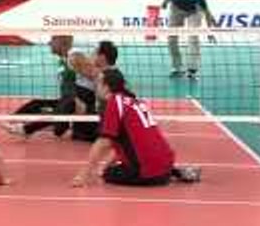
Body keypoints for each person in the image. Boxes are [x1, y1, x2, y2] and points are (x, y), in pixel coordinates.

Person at [71, 69, 201, 187]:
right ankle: (174, 172)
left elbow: (104, 143)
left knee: (109, 174)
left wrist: (83, 175)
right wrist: (106, 165)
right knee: (113, 168)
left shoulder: (114, 102)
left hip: (147, 173)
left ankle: (164, 173)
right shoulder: (133, 101)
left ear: (106, 87)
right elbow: (123, 143)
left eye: (98, 83)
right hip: (166, 164)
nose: (96, 87)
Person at [163, 0, 215, 80]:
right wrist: (164, 4)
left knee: (193, 37)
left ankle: (192, 69)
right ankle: (177, 67)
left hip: (194, 11)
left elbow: (207, 12)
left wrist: (210, 31)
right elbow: (166, 0)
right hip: (176, 9)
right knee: (171, 38)